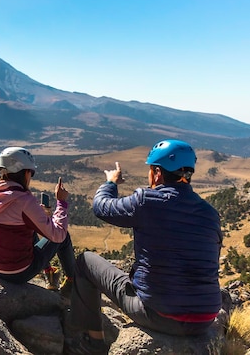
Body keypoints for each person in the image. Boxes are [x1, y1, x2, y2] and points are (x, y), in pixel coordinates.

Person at [64, 139, 222, 355]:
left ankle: (92, 342)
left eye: (151, 170)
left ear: (157, 173)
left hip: (158, 314)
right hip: (204, 320)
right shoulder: (211, 214)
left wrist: (111, 183)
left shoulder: (147, 201)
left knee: (85, 261)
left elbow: (101, 207)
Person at [0, 146, 76, 297]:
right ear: (25, 172)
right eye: (31, 172)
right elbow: (58, 234)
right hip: (18, 273)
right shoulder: (24, 201)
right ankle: (72, 283)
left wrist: (37, 212)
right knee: (65, 237)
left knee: (29, 228)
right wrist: (61, 203)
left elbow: (12, 216)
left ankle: (50, 273)